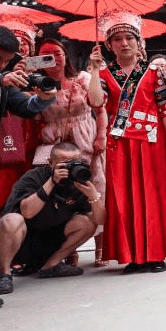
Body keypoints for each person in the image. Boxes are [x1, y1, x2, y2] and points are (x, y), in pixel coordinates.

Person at [87, 11, 166, 273]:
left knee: (153, 196)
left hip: (152, 141)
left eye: (129, 37)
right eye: (117, 39)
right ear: (109, 46)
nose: (124, 43)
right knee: (124, 197)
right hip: (120, 144)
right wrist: (94, 71)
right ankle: (132, 255)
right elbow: (97, 102)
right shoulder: (106, 73)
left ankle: (155, 253)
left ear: (138, 41)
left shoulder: (155, 71)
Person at [0, 25, 57, 311]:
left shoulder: (3, 82)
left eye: (5, 61)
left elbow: (25, 106)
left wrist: (44, 98)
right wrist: (1, 76)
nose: (1, 65)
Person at [33, 36, 108, 267]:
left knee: (96, 189)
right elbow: (31, 118)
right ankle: (67, 249)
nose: (53, 59)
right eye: (46, 55)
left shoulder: (83, 79)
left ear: (66, 55)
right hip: (53, 146)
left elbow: (100, 108)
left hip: (85, 138)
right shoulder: (36, 85)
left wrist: (101, 135)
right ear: (37, 60)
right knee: (58, 195)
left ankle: (101, 247)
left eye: (57, 53)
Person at [0, 142, 102, 281]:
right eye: (64, 164)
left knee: (87, 222)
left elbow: (99, 220)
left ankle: (51, 266)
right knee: (11, 220)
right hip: (20, 243)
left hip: (51, 240)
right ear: (50, 163)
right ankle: (4, 274)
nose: (70, 168)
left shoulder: (79, 179)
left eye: (75, 163)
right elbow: (27, 212)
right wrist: (52, 182)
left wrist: (94, 196)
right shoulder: (33, 177)